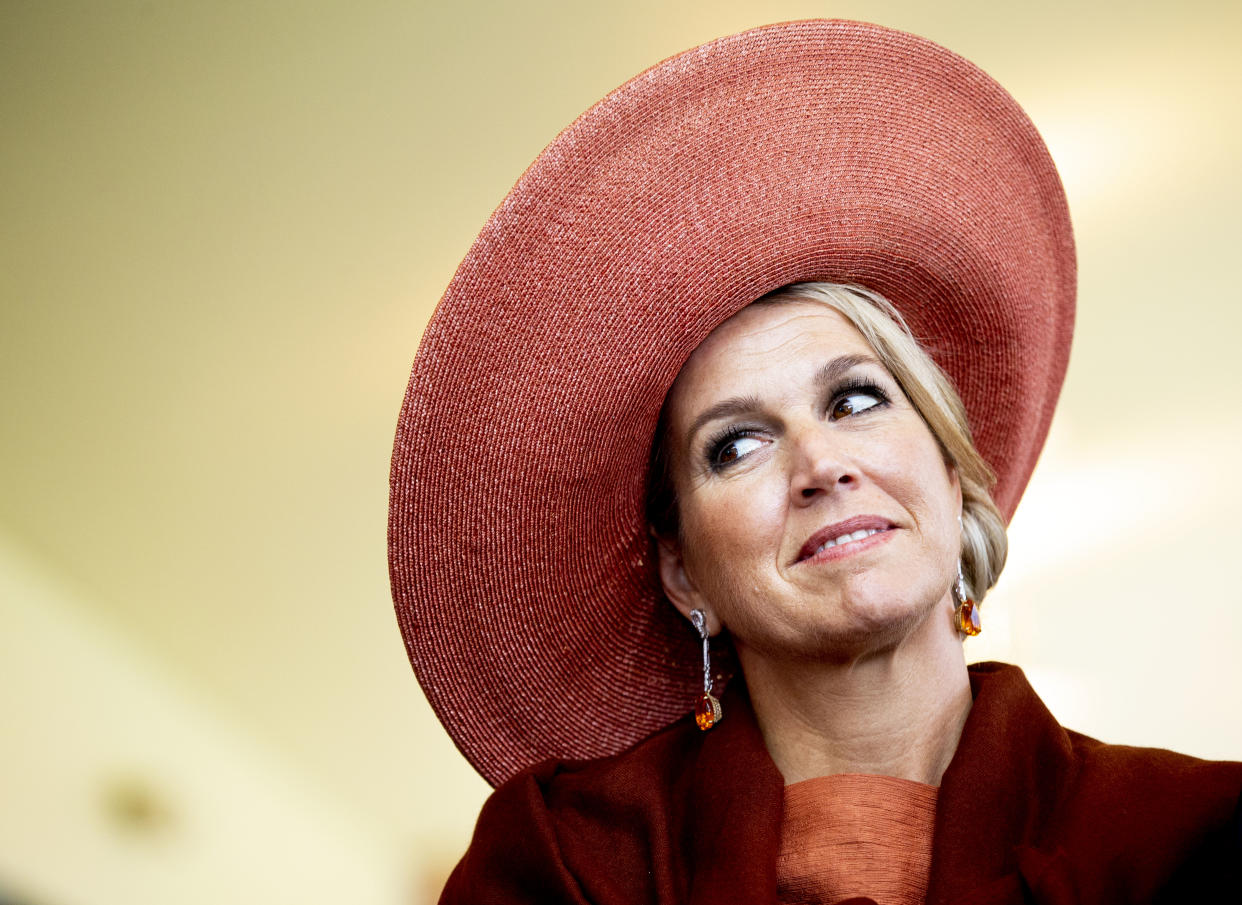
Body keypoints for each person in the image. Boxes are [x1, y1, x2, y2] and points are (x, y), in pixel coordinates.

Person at [389, 20, 1242, 904]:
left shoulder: (1198, 837)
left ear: (952, 468)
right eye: (737, 445)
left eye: (857, 400)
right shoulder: (563, 863)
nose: (821, 462)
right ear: (684, 573)